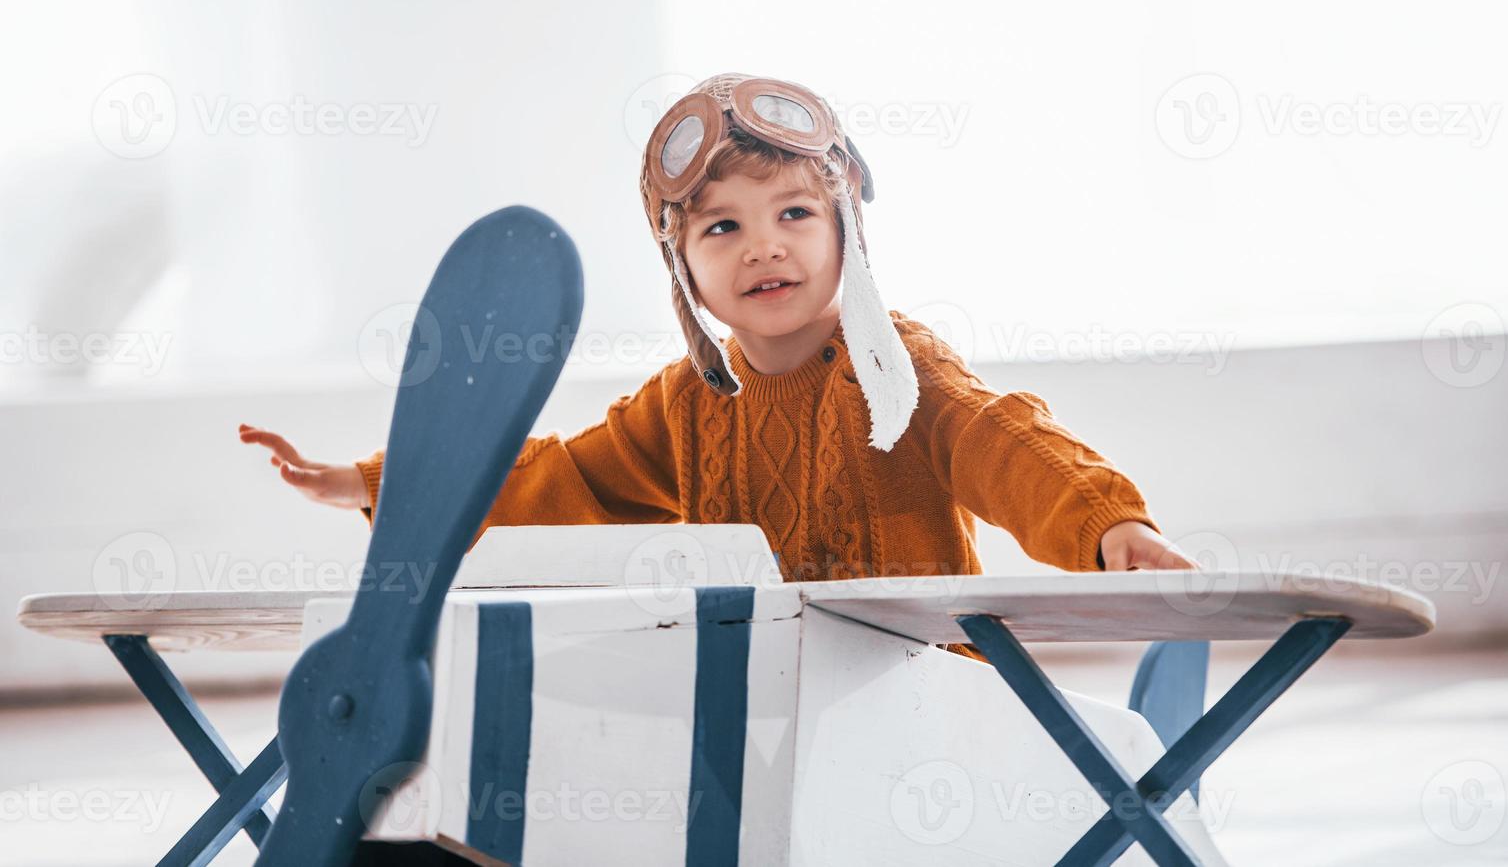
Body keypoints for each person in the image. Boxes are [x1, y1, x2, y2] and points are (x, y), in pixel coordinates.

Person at [240, 72, 1195, 663]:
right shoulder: (688, 404)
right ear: (682, 263)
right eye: (722, 226)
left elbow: (1003, 442)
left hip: (919, 694)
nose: (761, 248)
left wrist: (1107, 527)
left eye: (794, 214)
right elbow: (559, 477)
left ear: (847, 229)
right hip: (750, 702)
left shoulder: (893, 370)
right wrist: (375, 483)